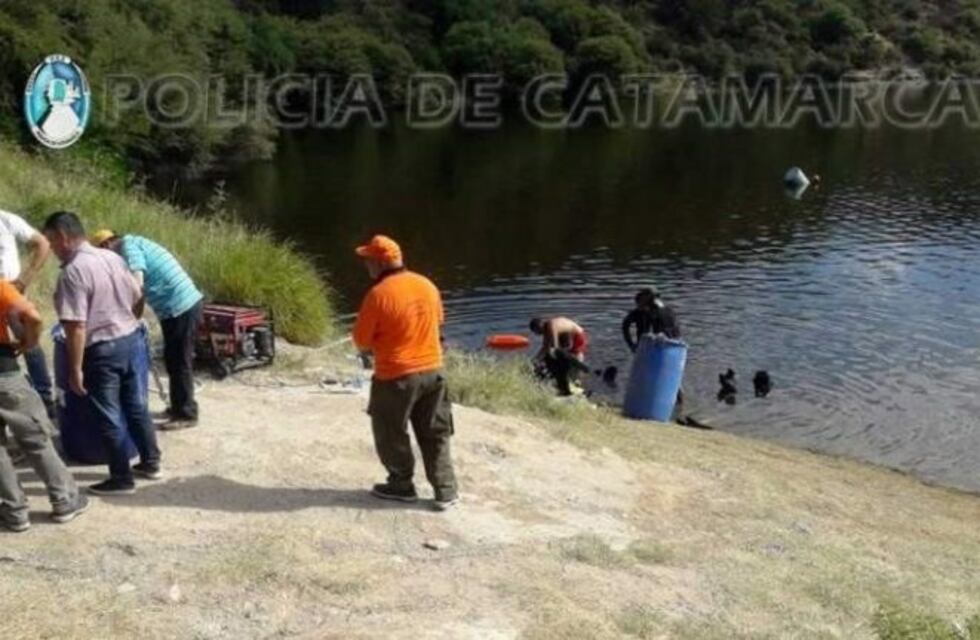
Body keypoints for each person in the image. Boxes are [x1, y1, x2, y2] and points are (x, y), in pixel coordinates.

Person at [43, 212, 161, 496]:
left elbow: (76, 326)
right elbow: (137, 293)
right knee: (135, 407)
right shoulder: (111, 257)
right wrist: (128, 320)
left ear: (63, 237)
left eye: (51, 242)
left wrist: (75, 368)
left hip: (101, 351)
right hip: (131, 340)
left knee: (108, 415)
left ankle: (121, 477)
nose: (52, 250)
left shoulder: (73, 272)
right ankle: (151, 462)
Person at [352, 235, 458, 511]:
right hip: (434, 371)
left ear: (378, 263)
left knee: (390, 432)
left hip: (396, 376)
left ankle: (401, 485)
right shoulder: (427, 285)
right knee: (435, 431)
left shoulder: (378, 295)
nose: (366, 265)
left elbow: (362, 341)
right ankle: (445, 490)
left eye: (367, 260)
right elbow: (438, 323)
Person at [0, 279, 88, 532]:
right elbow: (33, 317)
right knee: (35, 439)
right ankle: (65, 500)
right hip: (5, 375)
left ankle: (14, 511)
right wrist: (30, 342)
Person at [92, 230, 204, 430]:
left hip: (182, 307)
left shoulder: (128, 248)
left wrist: (132, 316)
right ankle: (179, 407)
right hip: (176, 308)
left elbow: (137, 286)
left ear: (107, 245)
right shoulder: (134, 244)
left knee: (180, 361)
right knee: (173, 360)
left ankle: (187, 414)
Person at [0, 208, 55, 417]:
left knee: (30, 343)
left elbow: (43, 243)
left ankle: (44, 397)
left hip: (11, 292)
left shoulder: (5, 219)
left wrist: (25, 279)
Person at [529, 316, 589, 396]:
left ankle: (578, 382)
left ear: (539, 327)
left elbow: (554, 347)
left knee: (573, 359)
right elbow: (545, 347)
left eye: (536, 332)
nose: (537, 334)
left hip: (577, 335)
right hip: (569, 337)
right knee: (559, 359)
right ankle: (568, 381)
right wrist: (534, 361)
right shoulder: (547, 329)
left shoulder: (551, 326)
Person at [621, 287, 681, 352]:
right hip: (647, 348)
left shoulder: (666, 312)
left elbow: (675, 332)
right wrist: (631, 345)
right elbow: (625, 325)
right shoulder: (639, 313)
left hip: (664, 345)